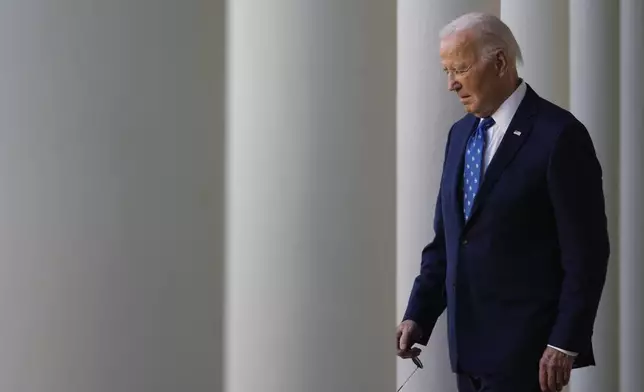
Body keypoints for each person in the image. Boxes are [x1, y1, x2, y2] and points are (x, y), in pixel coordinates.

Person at [395, 12, 609, 392]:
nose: (451, 84)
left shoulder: (560, 136)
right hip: (468, 355)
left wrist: (564, 342)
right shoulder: (459, 135)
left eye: (459, 68)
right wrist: (418, 315)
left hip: (530, 356)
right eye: (446, 70)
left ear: (499, 62)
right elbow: (448, 240)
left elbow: (587, 254)